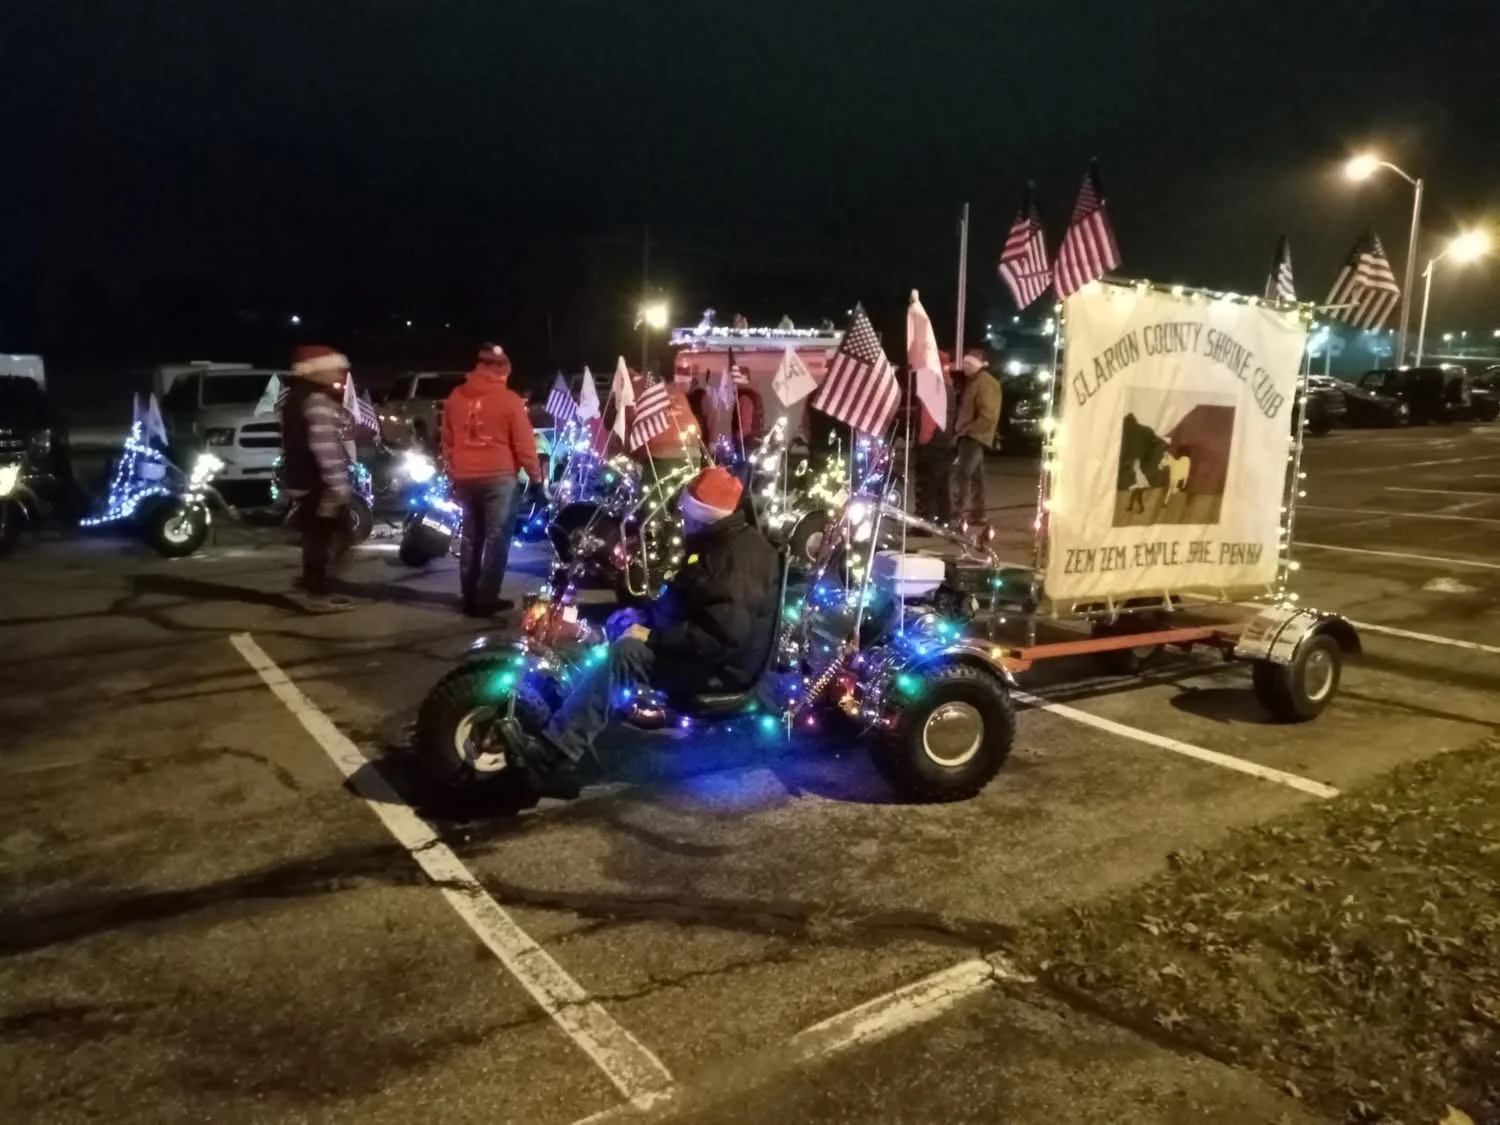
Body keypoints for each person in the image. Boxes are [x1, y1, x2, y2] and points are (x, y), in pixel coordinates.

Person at [492, 465, 781, 798]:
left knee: (624, 655)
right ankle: (573, 712)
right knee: (619, 624)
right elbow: (691, 600)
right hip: (701, 647)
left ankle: (552, 755)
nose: (683, 521)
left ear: (706, 516)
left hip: (720, 669)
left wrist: (651, 636)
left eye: (688, 515)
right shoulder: (719, 541)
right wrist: (644, 616)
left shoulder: (734, 559)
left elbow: (721, 637)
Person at [441, 343, 543, 616]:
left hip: (465, 476)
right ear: (502, 371)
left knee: (472, 536)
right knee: (497, 539)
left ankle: (469, 596)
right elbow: (524, 445)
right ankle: (486, 598)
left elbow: (448, 440)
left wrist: (454, 470)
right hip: (499, 477)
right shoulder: (509, 400)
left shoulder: (455, 396)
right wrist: (537, 480)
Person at [280, 344, 356, 611]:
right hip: (321, 485)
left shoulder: (294, 397)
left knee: (317, 538)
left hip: (303, 480)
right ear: (317, 371)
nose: (339, 373)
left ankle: (315, 587)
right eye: (333, 368)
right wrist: (339, 485)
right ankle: (316, 592)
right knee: (333, 537)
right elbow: (324, 446)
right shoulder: (317, 401)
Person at [951, 349, 1002, 531]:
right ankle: (978, 513)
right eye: (964, 364)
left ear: (979, 365)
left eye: (969, 364)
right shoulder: (975, 382)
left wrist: (968, 429)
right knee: (976, 476)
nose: (965, 367)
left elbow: (987, 413)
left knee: (963, 474)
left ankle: (957, 514)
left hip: (974, 435)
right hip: (973, 434)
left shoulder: (985, 383)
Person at [912, 352, 955, 527]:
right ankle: (944, 519)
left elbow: (928, 418)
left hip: (932, 442)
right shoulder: (949, 385)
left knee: (926, 484)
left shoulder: (933, 384)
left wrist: (922, 440)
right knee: (942, 483)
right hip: (944, 440)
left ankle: (924, 522)